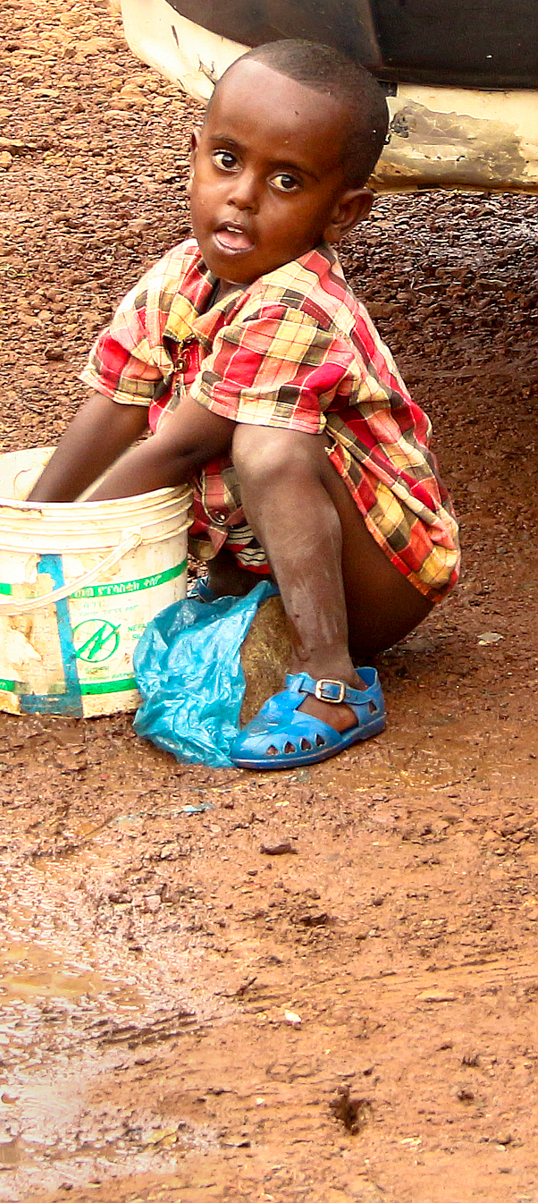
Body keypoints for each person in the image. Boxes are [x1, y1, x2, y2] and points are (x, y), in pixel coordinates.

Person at [28, 38, 459, 770]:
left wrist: (60, 554)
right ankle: (245, 605)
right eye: (227, 161)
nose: (243, 196)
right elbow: (115, 407)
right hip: (277, 558)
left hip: (383, 577)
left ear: (342, 211)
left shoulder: (297, 300)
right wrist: (28, 526)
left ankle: (333, 680)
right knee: (211, 449)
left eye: (287, 182)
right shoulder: (178, 275)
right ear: (194, 155)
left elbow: (183, 446)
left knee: (266, 446)